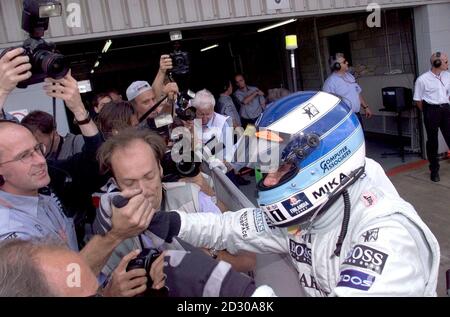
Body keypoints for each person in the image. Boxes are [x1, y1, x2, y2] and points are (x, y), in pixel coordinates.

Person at [148, 91, 440, 297]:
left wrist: (242, 293)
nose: (269, 177)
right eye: (267, 165)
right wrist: (170, 222)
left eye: (281, 166)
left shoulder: (387, 235)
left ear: (325, 162)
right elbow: (232, 226)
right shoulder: (308, 214)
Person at [0, 48, 155, 277]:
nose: (40, 160)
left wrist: (78, 109)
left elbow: (97, 164)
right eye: (24, 156)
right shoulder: (7, 226)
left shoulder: (49, 184)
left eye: (37, 148)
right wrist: (113, 236)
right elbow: (56, 286)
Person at [92, 128, 256, 290]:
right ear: (115, 184)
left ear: (160, 169)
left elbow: (248, 260)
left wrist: (211, 257)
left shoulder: (192, 199)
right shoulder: (113, 229)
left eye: (149, 176)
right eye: (130, 183)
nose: (143, 190)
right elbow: (90, 286)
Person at [413, 52, 450, 182]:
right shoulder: (422, 80)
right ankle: (434, 170)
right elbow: (418, 100)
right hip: (431, 110)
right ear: (437, 63)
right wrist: (428, 112)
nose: (447, 64)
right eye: (445, 62)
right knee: (432, 142)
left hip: (446, 109)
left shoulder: (448, 76)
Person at [323, 53, 373, 127]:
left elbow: (357, 93)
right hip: (343, 119)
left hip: (356, 115)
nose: (347, 63)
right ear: (337, 66)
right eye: (344, 62)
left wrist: (366, 107)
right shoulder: (330, 82)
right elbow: (327, 103)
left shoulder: (350, 76)